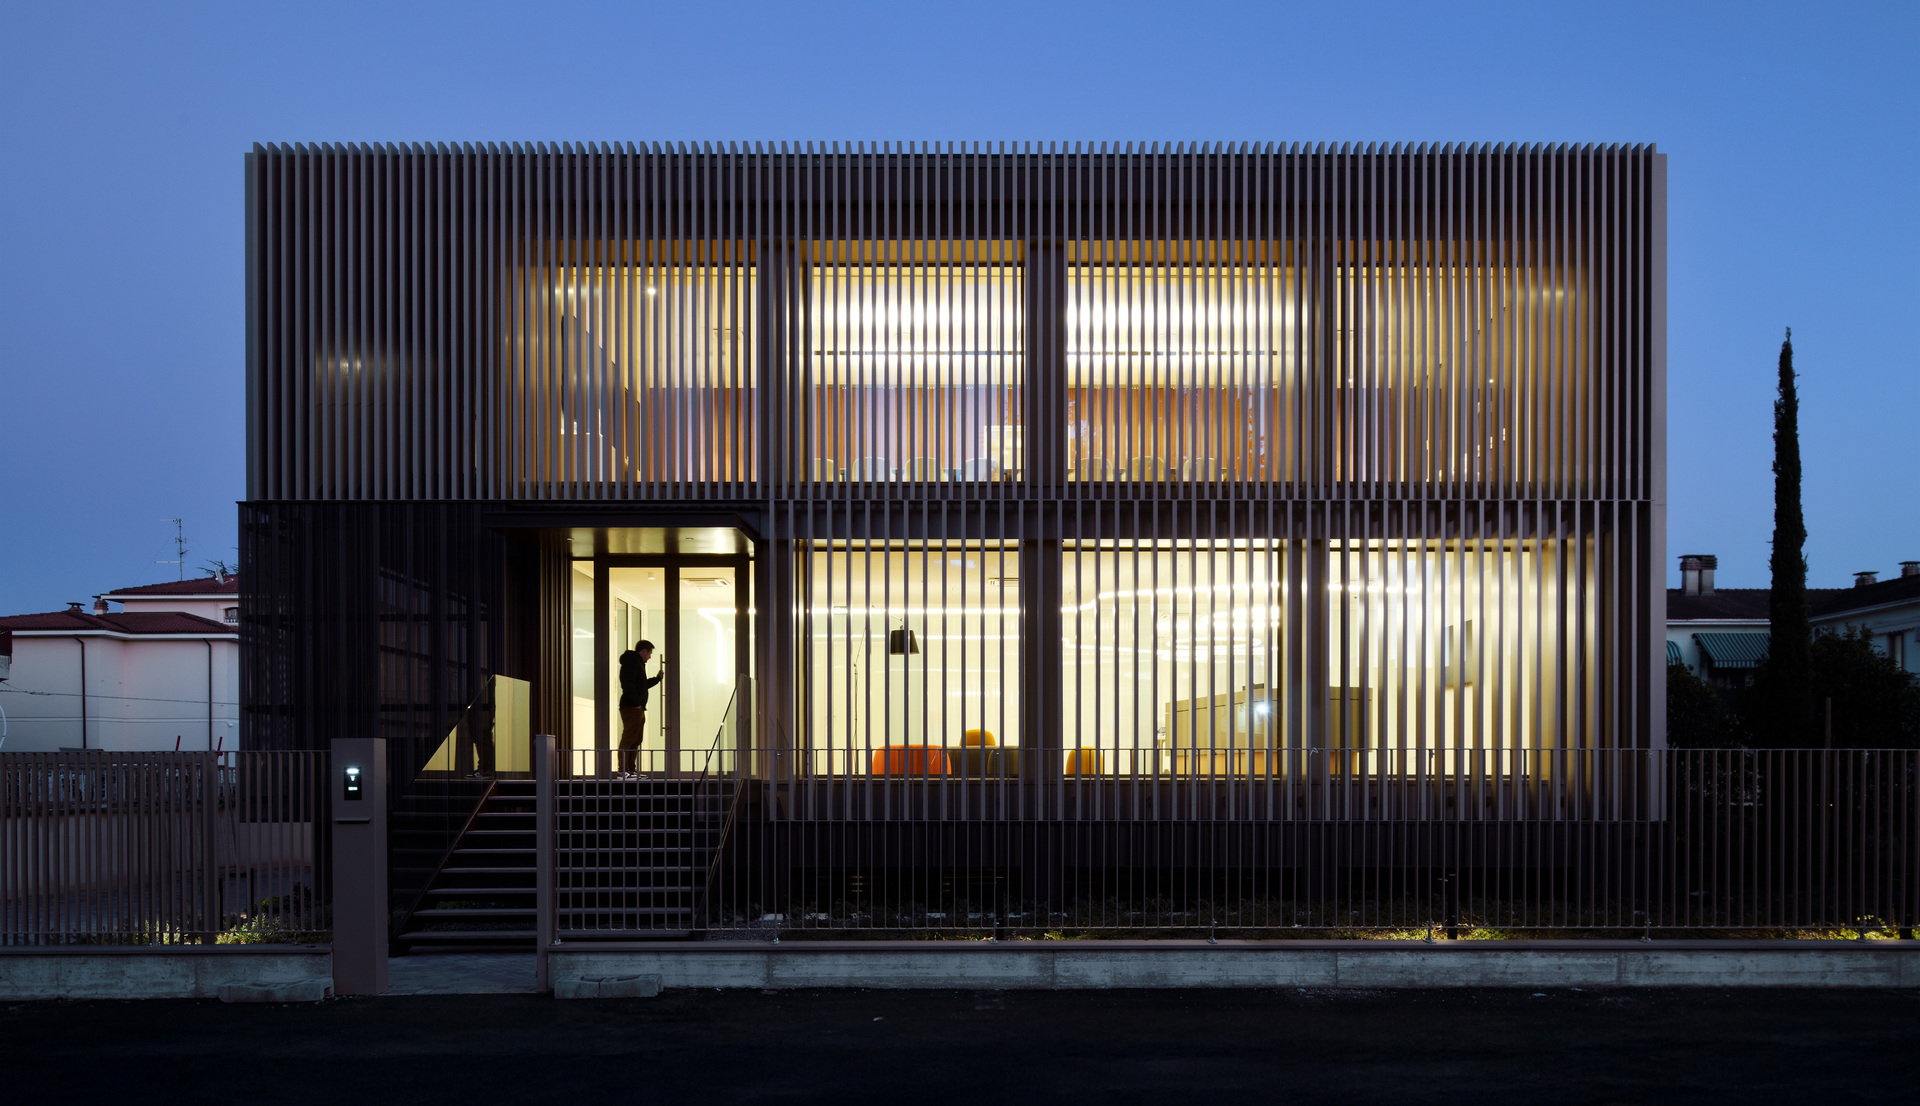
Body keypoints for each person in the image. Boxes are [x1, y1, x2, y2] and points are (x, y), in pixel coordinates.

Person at [616, 640, 664, 778]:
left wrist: (657, 679)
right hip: (632, 707)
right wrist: (636, 703)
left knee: (636, 739)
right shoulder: (631, 662)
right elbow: (627, 684)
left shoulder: (637, 663)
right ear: (644, 651)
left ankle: (630, 770)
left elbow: (641, 685)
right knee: (629, 738)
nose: (650, 657)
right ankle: (623, 770)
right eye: (650, 653)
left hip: (637, 708)